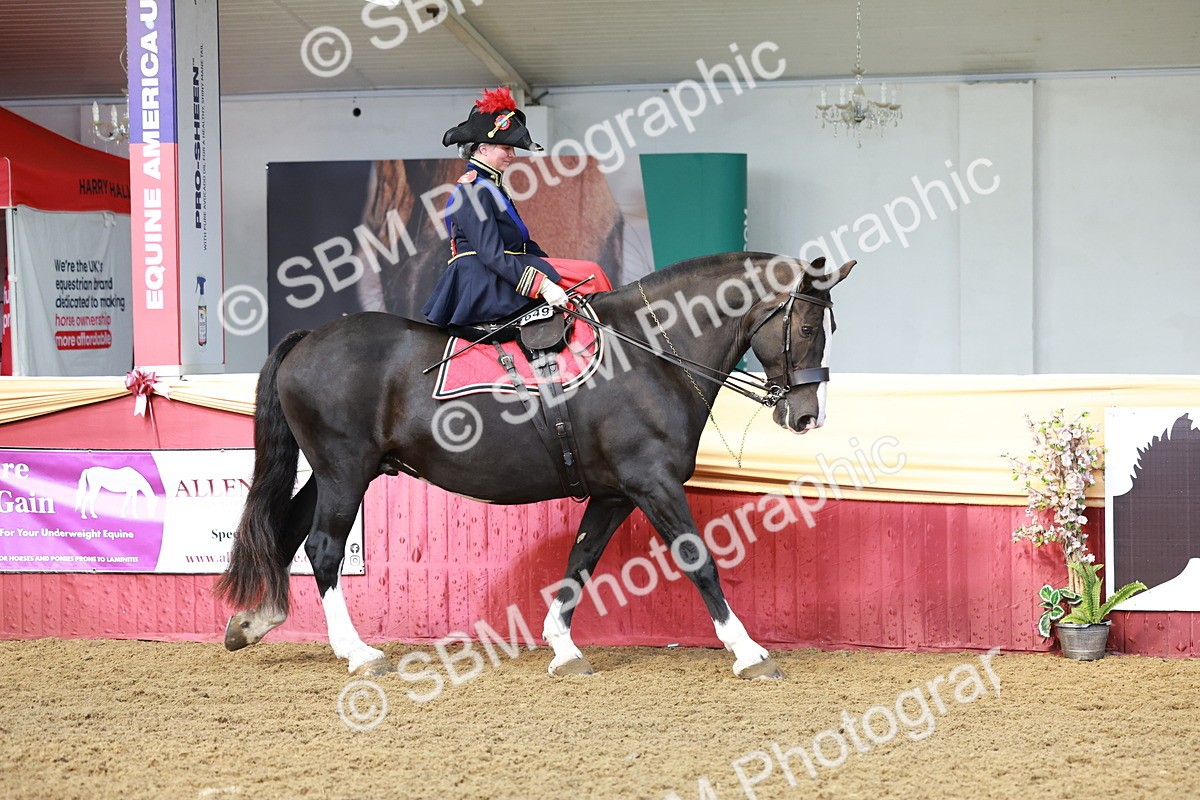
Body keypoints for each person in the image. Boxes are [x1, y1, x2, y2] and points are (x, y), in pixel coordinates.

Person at [421, 87, 569, 329]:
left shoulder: (492, 187)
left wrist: (550, 268)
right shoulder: (472, 191)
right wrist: (540, 284)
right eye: (507, 148)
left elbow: (522, 244)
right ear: (483, 149)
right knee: (587, 276)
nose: (512, 155)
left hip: (506, 270)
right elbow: (491, 254)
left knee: (583, 275)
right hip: (486, 279)